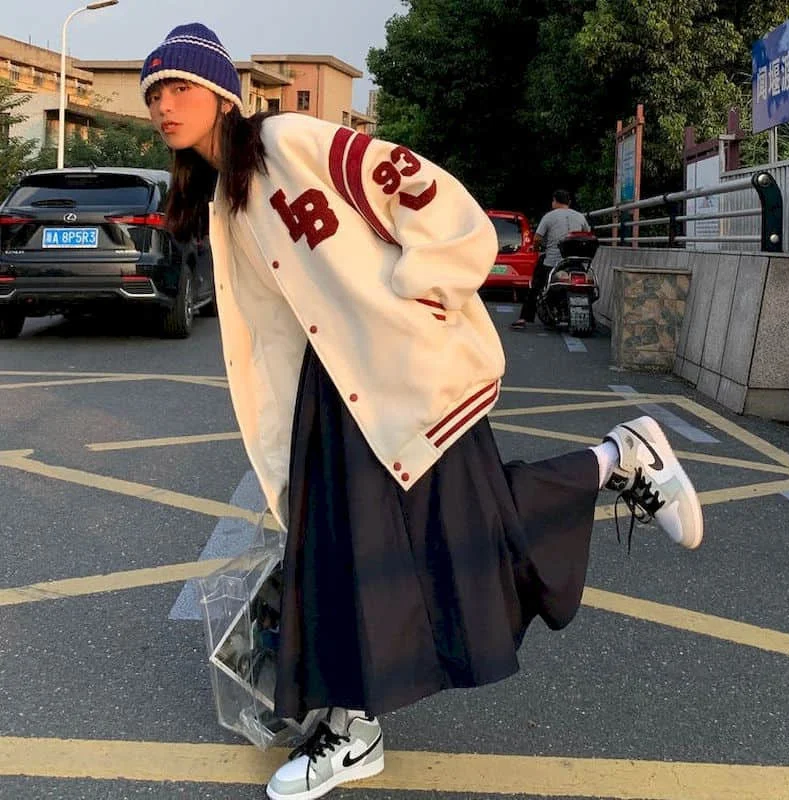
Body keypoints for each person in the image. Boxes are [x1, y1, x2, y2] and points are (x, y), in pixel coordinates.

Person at [141, 24, 704, 800]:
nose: (163, 105)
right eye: (153, 94)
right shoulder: (224, 198)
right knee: (350, 556)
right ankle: (356, 728)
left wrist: (418, 296)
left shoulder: (289, 140)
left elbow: (420, 187)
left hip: (401, 370)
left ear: (221, 94)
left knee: (464, 536)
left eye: (179, 87)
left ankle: (619, 459)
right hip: (335, 397)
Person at [510, 189, 590, 330]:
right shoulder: (580, 217)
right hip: (576, 262)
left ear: (554, 201)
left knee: (535, 286)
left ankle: (524, 318)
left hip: (553, 262)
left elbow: (537, 238)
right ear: (569, 202)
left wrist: (536, 248)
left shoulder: (549, 217)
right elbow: (587, 234)